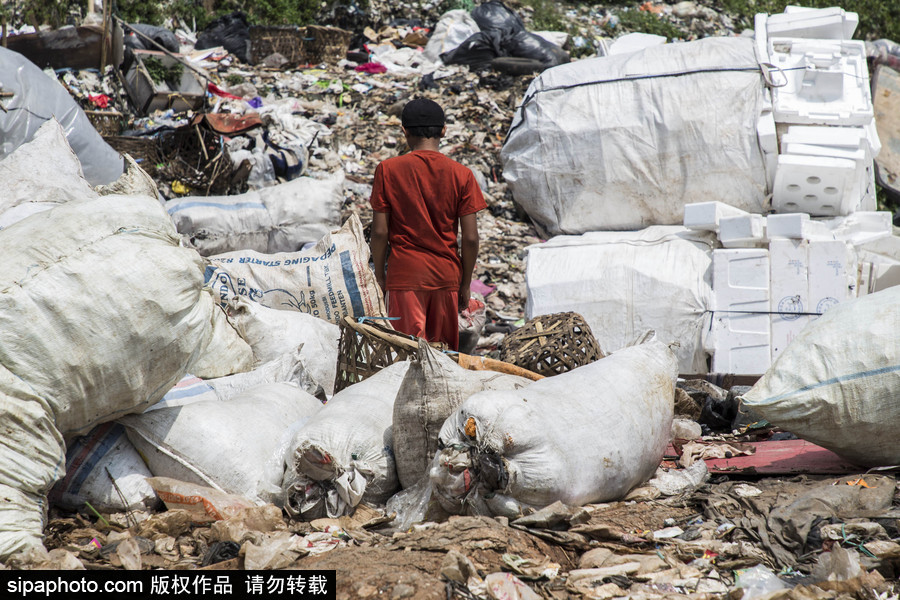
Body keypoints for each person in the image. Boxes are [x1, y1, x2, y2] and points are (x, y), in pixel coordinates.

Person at [369, 98, 486, 351]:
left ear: (404, 131)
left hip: (405, 277)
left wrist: (379, 276)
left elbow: (379, 232)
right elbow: (471, 238)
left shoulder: (387, 170)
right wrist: (464, 284)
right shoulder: (462, 174)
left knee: (406, 358)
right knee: (442, 358)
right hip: (446, 278)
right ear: (443, 131)